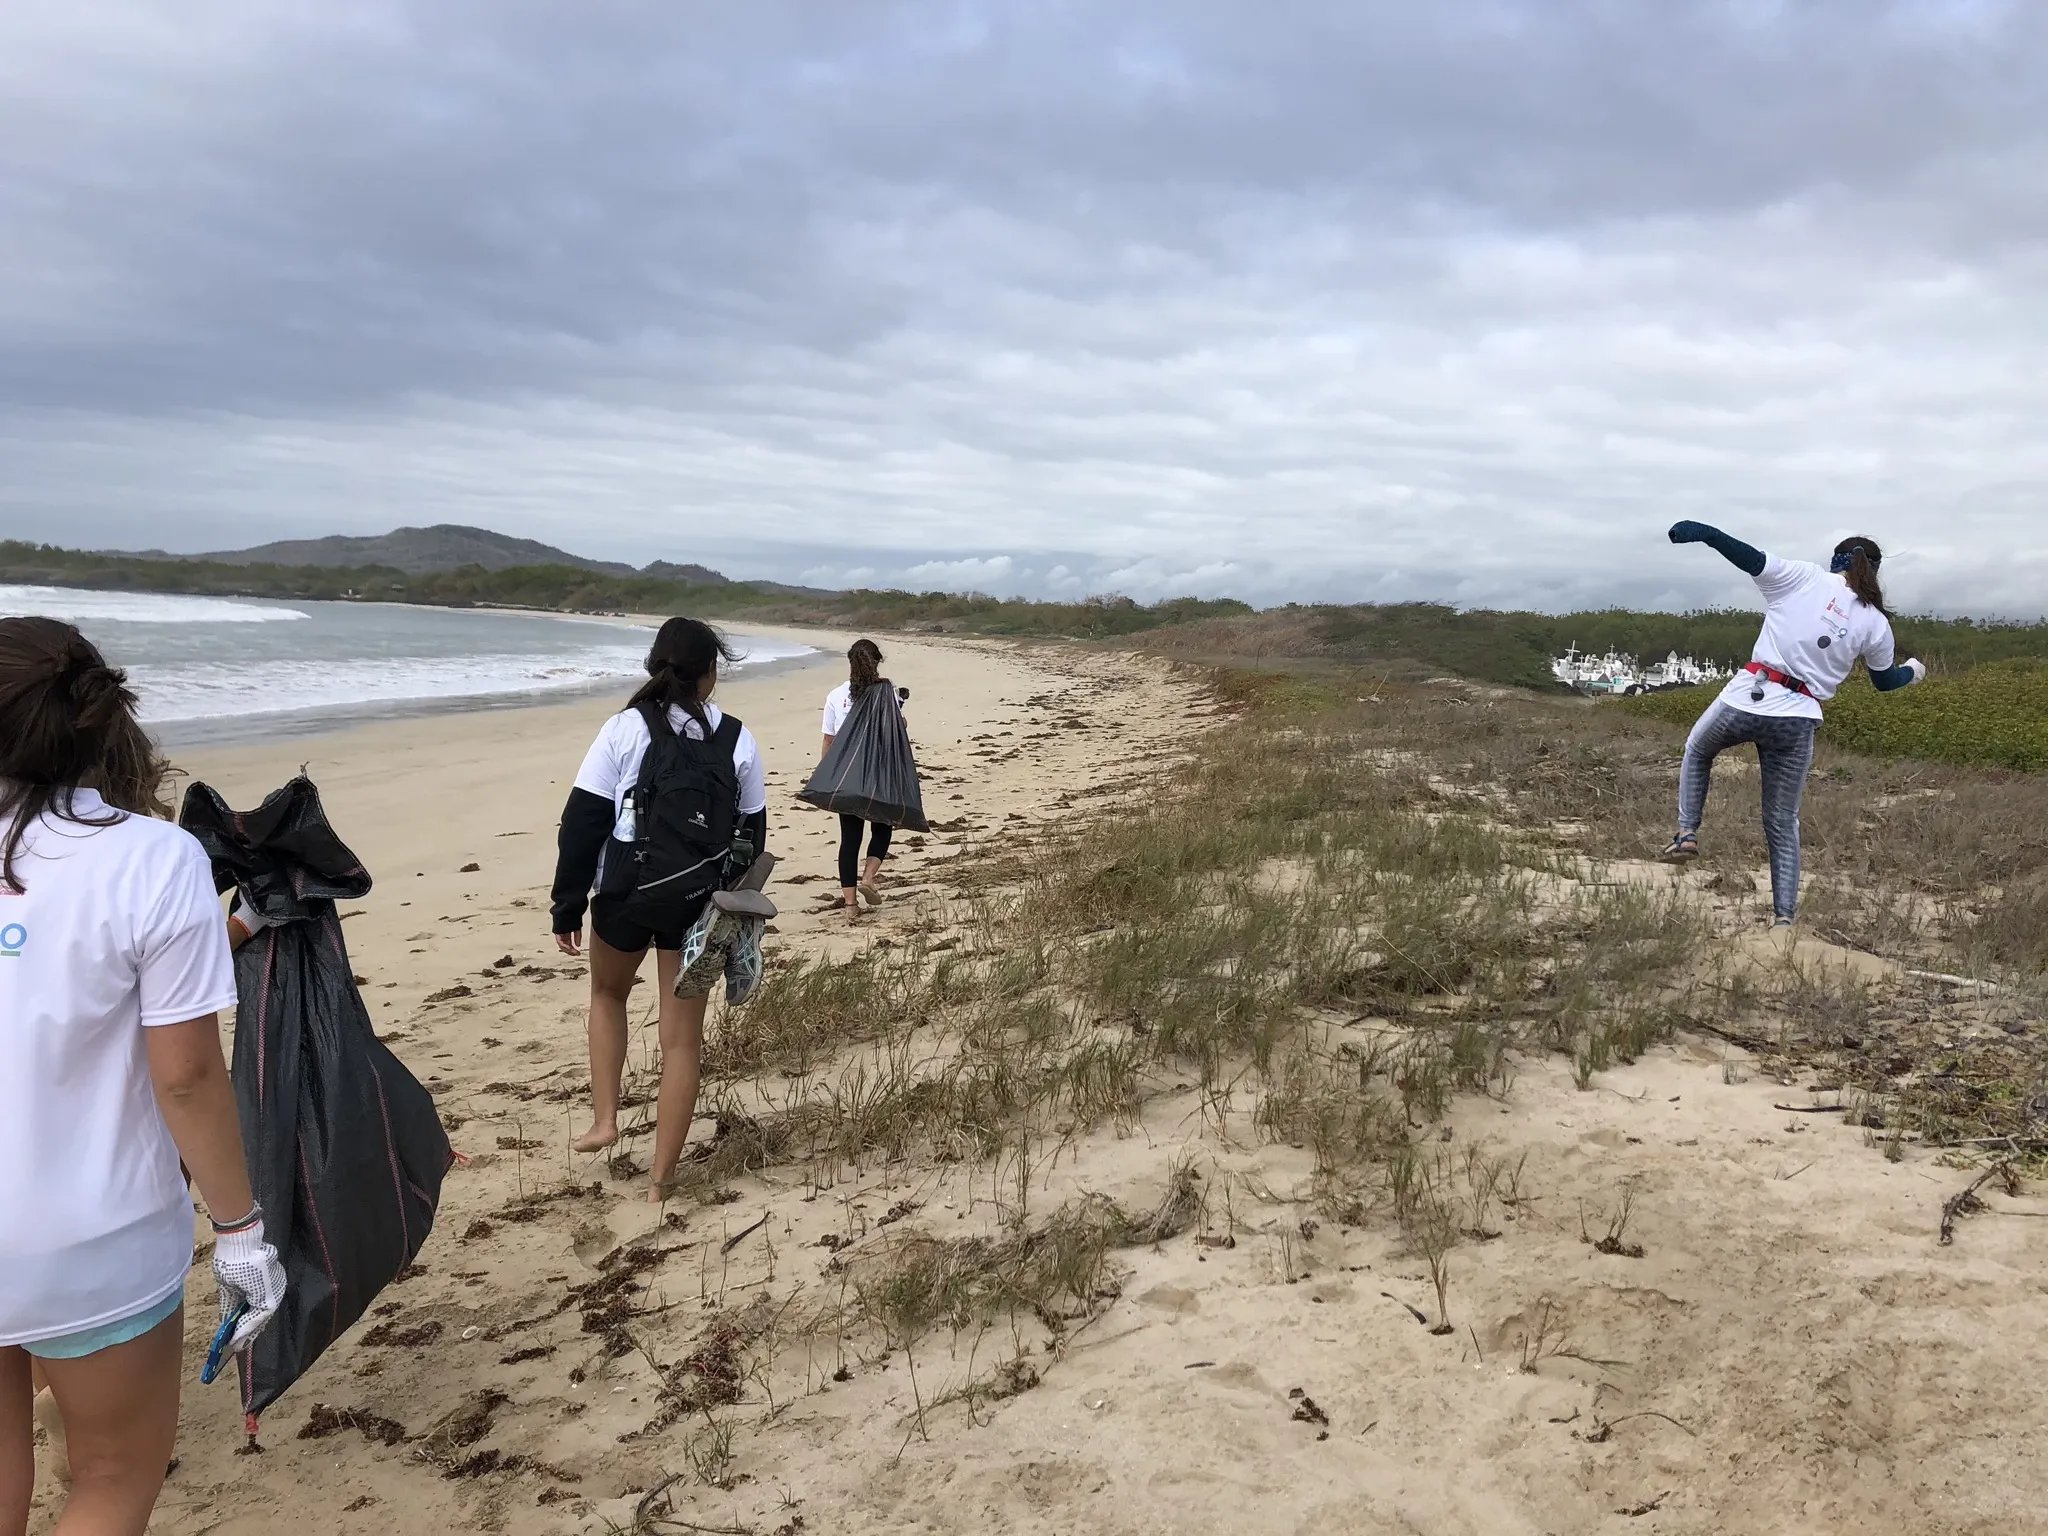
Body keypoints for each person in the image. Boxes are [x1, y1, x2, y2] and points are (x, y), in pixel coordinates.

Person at [1, 617, 287, 1536]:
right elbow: (190, 1076)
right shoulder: (152, 858)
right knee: (113, 1479)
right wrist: (241, 1229)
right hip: (90, 1239)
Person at [550, 618, 766, 1201]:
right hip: (698, 904)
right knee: (682, 1044)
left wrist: (567, 906)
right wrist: (732, 913)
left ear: (655, 666)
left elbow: (583, 822)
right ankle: (662, 1179)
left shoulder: (623, 729)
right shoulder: (737, 739)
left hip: (625, 893)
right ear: (710, 674)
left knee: (607, 995)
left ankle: (605, 1120)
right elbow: (752, 836)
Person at [1660, 524, 1926, 926]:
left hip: (1749, 695)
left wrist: (1703, 533)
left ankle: (1687, 833)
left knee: (1699, 750)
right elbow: (1885, 682)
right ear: (1874, 570)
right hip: (1799, 718)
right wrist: (1914, 672)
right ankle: (1784, 919)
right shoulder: (1876, 623)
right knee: (1782, 823)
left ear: (1836, 559)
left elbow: (1746, 555)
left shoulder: (1802, 577)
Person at [820, 639, 903, 923]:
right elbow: (898, 729)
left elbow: (829, 740)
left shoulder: (835, 695)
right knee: (882, 828)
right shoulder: (886, 692)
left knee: (849, 839)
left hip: (846, 776)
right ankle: (868, 877)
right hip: (878, 774)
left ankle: (851, 906)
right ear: (876, 662)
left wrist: (826, 777)